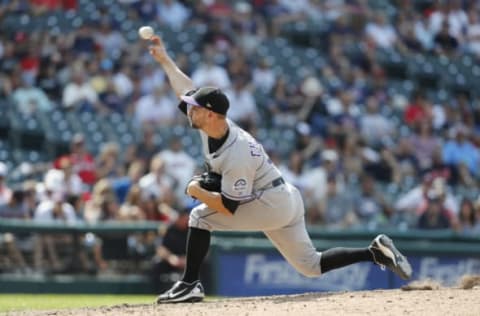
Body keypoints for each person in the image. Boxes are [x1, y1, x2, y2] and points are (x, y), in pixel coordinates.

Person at [146, 34, 412, 304]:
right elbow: (186, 89)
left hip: (269, 202)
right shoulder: (212, 126)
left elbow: (228, 207)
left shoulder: (235, 153)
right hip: (284, 197)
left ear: (211, 114)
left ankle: (190, 283)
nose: (189, 111)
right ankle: (374, 252)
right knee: (311, 266)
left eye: (195, 109)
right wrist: (165, 60)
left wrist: (194, 190)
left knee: (200, 217)